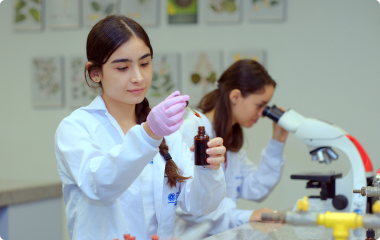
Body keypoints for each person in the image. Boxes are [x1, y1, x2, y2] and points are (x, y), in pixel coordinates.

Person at [54, 15, 227, 240]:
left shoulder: (166, 130)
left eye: (144, 64)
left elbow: (200, 205)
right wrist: (149, 134)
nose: (138, 77)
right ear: (95, 73)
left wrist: (208, 168)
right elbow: (100, 186)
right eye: (123, 67)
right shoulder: (76, 127)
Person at [175, 59, 289, 236]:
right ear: (235, 97)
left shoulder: (229, 137)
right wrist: (246, 216)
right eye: (260, 105)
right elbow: (187, 203)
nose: (262, 114)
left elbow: (256, 187)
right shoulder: (192, 131)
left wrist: (277, 141)